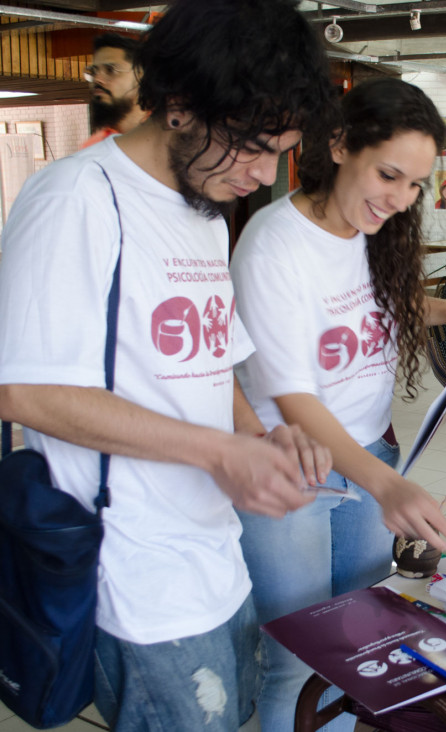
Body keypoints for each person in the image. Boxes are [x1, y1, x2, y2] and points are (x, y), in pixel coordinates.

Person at [0, 0, 335, 729]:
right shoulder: (77, 199)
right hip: (136, 575)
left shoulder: (202, 211)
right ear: (180, 107)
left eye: (280, 150)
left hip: (213, 548)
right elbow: (23, 391)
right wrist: (218, 449)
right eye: (251, 146)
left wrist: (256, 437)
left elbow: (217, 362)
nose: (264, 172)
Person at [231, 77, 446, 732]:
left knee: (356, 648)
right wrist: (387, 486)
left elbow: (373, 305)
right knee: (298, 656)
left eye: (414, 184)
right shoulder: (273, 244)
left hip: (369, 455)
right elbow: (292, 397)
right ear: (340, 145)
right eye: (389, 175)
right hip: (295, 470)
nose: (400, 199)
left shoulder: (365, 230)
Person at [81, 32, 147, 149]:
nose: (97, 79)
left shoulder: (171, 136)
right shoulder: (94, 147)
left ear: (140, 76)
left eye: (110, 70)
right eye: (94, 71)